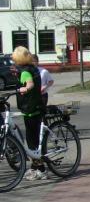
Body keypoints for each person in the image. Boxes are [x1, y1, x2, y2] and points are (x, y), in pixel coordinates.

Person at [12, 46, 47, 180]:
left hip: (30, 108)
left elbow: (30, 84)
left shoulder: (25, 72)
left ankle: (41, 169)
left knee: (32, 141)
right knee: (33, 140)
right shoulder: (32, 68)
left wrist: (24, 89)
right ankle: (35, 167)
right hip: (36, 105)